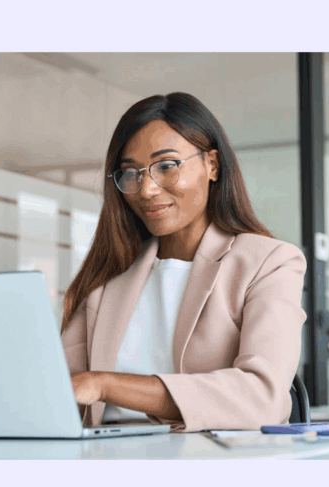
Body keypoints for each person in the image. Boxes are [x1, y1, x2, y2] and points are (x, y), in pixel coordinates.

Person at [61, 92, 307, 432]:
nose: (145, 189)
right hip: (100, 456)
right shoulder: (106, 277)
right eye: (130, 173)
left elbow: (262, 398)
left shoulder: (267, 262)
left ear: (212, 165)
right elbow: (62, 390)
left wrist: (105, 385)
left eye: (166, 166)